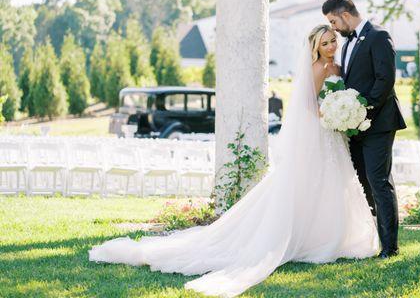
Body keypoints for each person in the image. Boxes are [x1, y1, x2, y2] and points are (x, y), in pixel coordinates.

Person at [88, 25, 379, 297]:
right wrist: (331, 114)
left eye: (333, 41)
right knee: (312, 183)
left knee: (332, 184)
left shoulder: (337, 67)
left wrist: (344, 113)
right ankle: (312, 239)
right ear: (315, 47)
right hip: (319, 132)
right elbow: (306, 105)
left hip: (333, 136)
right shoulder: (317, 69)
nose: (331, 46)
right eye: (325, 43)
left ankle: (334, 236)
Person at [322, 0, 407, 258]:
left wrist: (362, 108)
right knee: (362, 183)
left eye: (334, 21)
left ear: (345, 15)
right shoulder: (345, 44)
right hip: (354, 126)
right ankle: (369, 240)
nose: (333, 27)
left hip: (379, 123)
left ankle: (390, 248)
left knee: (379, 181)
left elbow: (385, 80)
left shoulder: (379, 37)